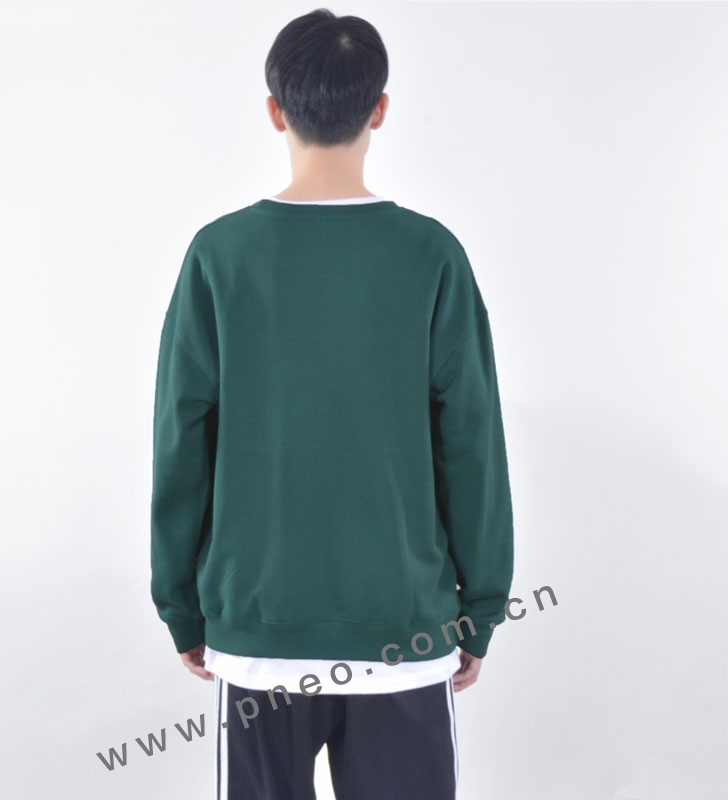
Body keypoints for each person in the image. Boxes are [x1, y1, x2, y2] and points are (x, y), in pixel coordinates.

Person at [150, 8, 514, 799]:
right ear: (379, 109)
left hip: (258, 627)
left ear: (274, 110)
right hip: (404, 628)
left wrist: (182, 604)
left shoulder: (220, 256)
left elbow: (182, 437)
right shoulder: (430, 254)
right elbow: (472, 442)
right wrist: (481, 607)